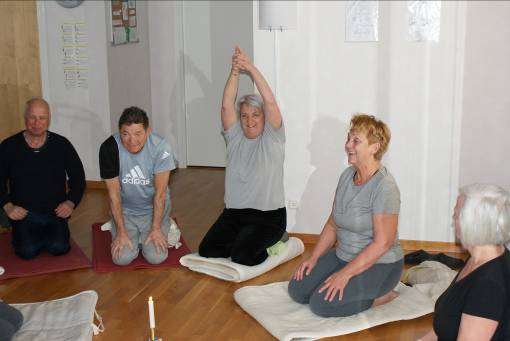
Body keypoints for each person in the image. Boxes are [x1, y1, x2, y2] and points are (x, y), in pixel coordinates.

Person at [288, 114, 403, 317]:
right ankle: (343, 281)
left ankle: (380, 297)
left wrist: (344, 275)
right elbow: (333, 223)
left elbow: (382, 243)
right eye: (348, 139)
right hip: (344, 255)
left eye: (356, 141)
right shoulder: (346, 176)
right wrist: (313, 258)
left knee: (321, 304)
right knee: (297, 290)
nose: (348, 145)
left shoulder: (385, 187)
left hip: (381, 265)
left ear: (374, 147)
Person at [198, 46, 286, 266]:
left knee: (242, 256)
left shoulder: (272, 137)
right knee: (208, 250)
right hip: (235, 214)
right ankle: (243, 238)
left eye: (256, 115)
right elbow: (226, 105)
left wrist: (250, 68)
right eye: (245, 115)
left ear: (264, 117)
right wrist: (235, 71)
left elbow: (271, 102)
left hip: (268, 217)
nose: (250, 120)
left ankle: (278, 242)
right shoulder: (235, 137)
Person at [418, 184, 510, 341]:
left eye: (456, 215)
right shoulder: (478, 258)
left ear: (472, 223)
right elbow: (447, 325)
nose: (453, 221)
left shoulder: (488, 285)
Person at [0, 98, 86, 260]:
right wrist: (8, 206)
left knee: (59, 248)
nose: (37, 123)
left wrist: (70, 202)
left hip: (55, 212)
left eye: (42, 118)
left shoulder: (62, 144)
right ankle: (21, 233)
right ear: (25, 118)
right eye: (32, 117)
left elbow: (79, 178)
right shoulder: (9, 146)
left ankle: (45, 234)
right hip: (23, 213)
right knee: (27, 251)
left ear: (49, 119)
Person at [99, 106, 176, 266]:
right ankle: (125, 231)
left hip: (152, 209)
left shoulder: (161, 148)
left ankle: (165, 225)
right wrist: (121, 232)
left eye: (138, 133)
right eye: (125, 134)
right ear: (119, 132)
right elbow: (114, 196)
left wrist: (156, 228)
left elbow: (160, 194)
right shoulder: (109, 148)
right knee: (121, 258)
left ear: (148, 131)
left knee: (156, 257)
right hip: (126, 211)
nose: (132, 141)